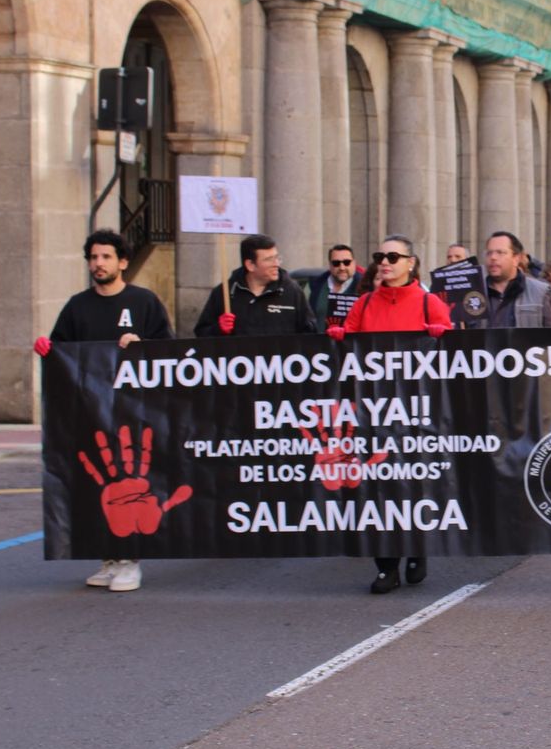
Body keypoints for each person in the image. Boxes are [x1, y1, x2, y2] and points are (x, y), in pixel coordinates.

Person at [35, 229, 173, 593]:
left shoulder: (143, 302)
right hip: (90, 414)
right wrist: (47, 349)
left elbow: (170, 351)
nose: (99, 264)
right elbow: (61, 352)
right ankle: (109, 559)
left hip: (132, 416)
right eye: (94, 258)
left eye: (106, 257)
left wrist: (142, 346)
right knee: (97, 487)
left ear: (122, 262)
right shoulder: (77, 306)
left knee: (130, 487)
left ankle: (131, 560)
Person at [342, 235, 453, 593]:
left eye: (392, 256)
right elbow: (348, 348)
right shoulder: (364, 303)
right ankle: (386, 565)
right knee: (378, 487)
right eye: (379, 256)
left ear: (411, 263)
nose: (384, 262)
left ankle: (417, 548)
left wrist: (442, 334)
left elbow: (455, 355)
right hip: (374, 413)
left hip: (417, 412)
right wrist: (336, 339)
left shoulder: (428, 302)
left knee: (414, 483)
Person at [194, 234, 319, 337]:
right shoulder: (224, 293)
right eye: (268, 259)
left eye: (276, 258)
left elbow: (310, 332)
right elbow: (201, 334)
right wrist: (218, 329)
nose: (276, 264)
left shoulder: (292, 291)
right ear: (250, 265)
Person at [483, 231, 551, 328]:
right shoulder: (474, 294)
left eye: (500, 252)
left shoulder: (540, 292)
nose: (493, 257)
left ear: (516, 258)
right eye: (489, 253)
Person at [308, 243, 362, 329]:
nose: (342, 267)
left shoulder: (364, 287)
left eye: (347, 262)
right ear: (330, 265)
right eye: (336, 263)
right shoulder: (317, 286)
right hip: (320, 342)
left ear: (354, 263)